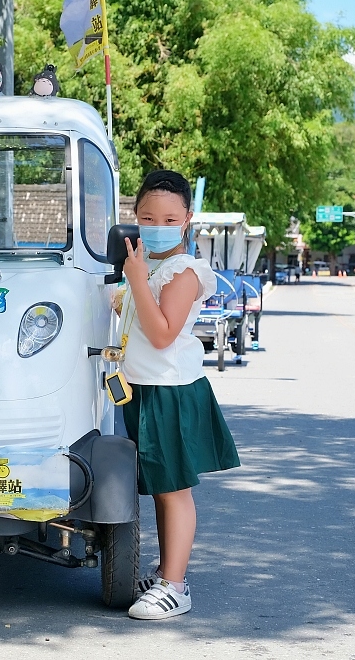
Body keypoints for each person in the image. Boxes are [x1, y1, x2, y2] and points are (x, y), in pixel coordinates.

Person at [117, 170, 241, 620]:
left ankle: (176, 585)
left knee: (175, 492)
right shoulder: (147, 266)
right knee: (159, 490)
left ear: (187, 219)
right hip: (142, 390)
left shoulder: (185, 271)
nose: (157, 225)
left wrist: (133, 282)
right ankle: (167, 573)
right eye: (147, 216)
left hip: (171, 390)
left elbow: (163, 333)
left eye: (169, 218)